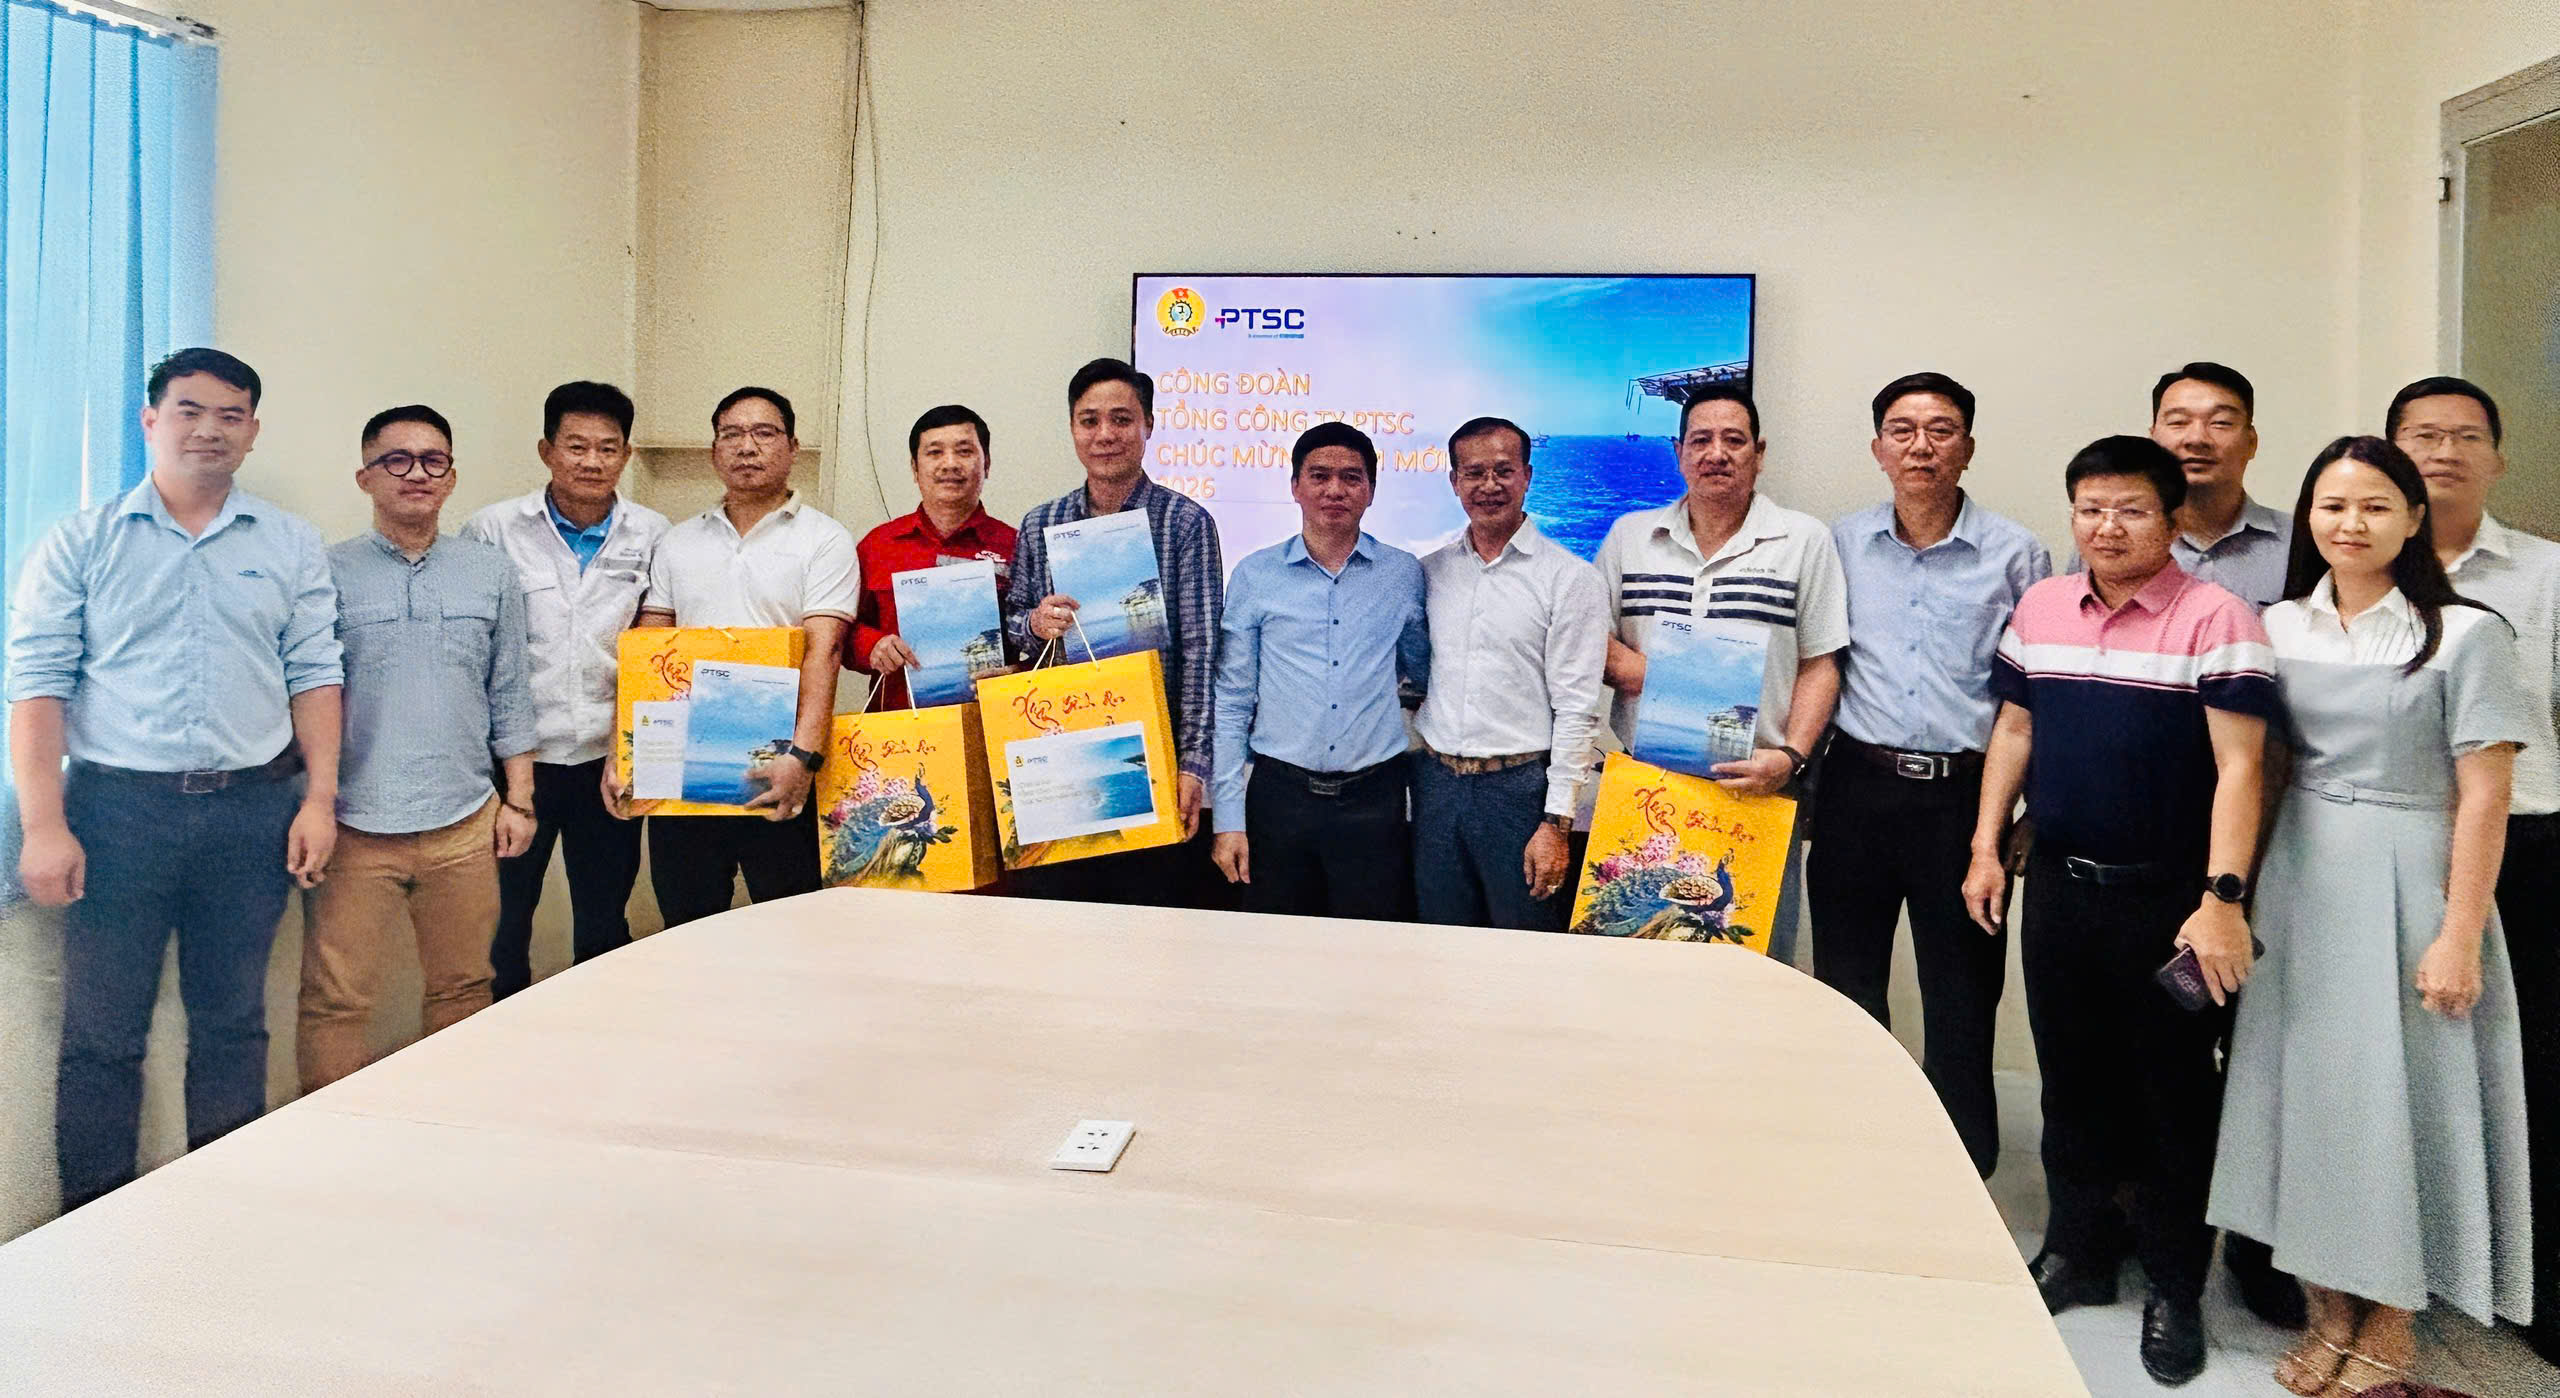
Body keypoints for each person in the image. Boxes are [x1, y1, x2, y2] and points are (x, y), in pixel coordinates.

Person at [2207, 434, 2535, 1394]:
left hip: (2412, 885)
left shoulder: (2465, 634)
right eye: (2333, 505)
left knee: (2403, 1101)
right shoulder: (2277, 626)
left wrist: (2459, 933)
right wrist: (2233, 898)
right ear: (2308, 516)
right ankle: (2328, 1311)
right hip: (2299, 877)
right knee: (2302, 1096)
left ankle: (2392, 1321)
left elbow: (2485, 796)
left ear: (2414, 519)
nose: (2351, 524)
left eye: (2375, 506)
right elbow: (2262, 769)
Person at [1963, 435, 2275, 1386]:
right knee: (2070, 1081)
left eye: (2132, 510)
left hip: (2172, 904)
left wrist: (2223, 898)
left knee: (2173, 1096)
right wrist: (1985, 846)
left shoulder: (2218, 617)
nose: (2108, 527)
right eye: (2091, 509)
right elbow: (2015, 728)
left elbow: (2242, 768)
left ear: (2173, 520)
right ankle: (2076, 1251)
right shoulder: (2043, 607)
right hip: (2060, 891)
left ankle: (2176, 1286)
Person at [6, 348, 343, 1212]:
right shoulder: (81, 542)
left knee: (234, 1027)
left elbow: (314, 674)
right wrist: (44, 825)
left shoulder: (289, 543)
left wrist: (318, 799)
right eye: (190, 410)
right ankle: (94, 1222)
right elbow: (38, 685)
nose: (209, 429)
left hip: (253, 812)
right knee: (102, 1036)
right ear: (151, 420)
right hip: (117, 814)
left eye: (231, 415)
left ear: (253, 431)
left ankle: (220, 1216)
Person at [1810, 373, 2049, 1177]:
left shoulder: (2017, 554)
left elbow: (2034, 697)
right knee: (1846, 987)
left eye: (1941, 430)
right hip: (1857, 787)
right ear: (1878, 448)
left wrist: (2029, 810)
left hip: (1964, 801)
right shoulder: (1840, 544)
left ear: (1967, 447)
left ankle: (1961, 1169)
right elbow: (1816, 663)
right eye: (1903, 431)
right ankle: (1855, 1153)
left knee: (1963, 994)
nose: (1922, 447)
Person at [2388, 375, 2560, 1364]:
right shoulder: (2360, 568)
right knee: (2399, 1064)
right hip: (2400, 845)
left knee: (2530, 1067)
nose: (2443, 451)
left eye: (2464, 436)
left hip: (2527, 847)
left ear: (2497, 458)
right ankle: (2396, 1270)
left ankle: (2532, 1281)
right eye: (2421, 435)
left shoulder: (2546, 574)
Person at [298, 406, 536, 1091]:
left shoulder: (490, 572)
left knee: (464, 989)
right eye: (396, 460)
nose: (416, 474)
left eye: (433, 461)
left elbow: (510, 689)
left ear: (451, 477)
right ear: (365, 477)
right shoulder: (325, 572)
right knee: (336, 1002)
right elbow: (305, 693)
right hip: (355, 826)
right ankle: (327, 1134)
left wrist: (520, 799)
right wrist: (313, 805)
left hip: (465, 824)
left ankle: (453, 1121)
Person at [1595, 383, 1846, 963]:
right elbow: (1595, 644)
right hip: (1647, 787)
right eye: (1701, 440)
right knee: (1638, 959)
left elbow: (1821, 663)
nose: (1717, 453)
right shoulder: (1630, 537)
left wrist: (1791, 758)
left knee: (1751, 965)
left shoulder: (1803, 540)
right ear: (1678, 451)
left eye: (1734, 440)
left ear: (1760, 453)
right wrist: (1673, 682)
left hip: (1758, 788)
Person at [620, 386, 856, 926]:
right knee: (686, 928)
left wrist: (803, 757)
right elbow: (650, 656)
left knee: (790, 929)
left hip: (780, 767)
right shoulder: (678, 542)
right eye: (732, 434)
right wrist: (629, 753)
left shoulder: (825, 539)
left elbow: (824, 652)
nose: (747, 446)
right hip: (687, 769)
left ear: (792, 447)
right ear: (714, 451)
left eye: (764, 433)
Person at [463, 381, 669, 999]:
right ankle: (504, 1040)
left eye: (608, 448)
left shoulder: (653, 533)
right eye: (576, 446)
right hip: (514, 763)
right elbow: (475, 650)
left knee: (604, 924)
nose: (592, 461)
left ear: (626, 455)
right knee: (502, 927)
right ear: (546, 450)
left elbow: (655, 652)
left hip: (607, 761)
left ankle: (596, 1038)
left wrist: (627, 750)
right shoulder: (495, 529)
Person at [1007, 358, 1223, 905]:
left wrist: (1194, 764)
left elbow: (1202, 653)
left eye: (1122, 419)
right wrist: (1035, 622)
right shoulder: (1041, 523)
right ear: (1072, 428)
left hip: (1152, 761)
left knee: (1148, 924)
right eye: (1089, 420)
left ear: (1148, 424)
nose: (1105, 434)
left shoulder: (1185, 523)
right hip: (1059, 761)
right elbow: (1009, 632)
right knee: (1058, 922)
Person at [1210, 422, 1428, 920]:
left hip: (1374, 800)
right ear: (1295, 486)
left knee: (1370, 944)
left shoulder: (1402, 573)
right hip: (1279, 798)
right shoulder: (1255, 575)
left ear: (1370, 490)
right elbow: (1233, 701)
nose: (1335, 489)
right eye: (1319, 475)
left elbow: (1419, 667)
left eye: (1351, 477)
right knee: (1277, 945)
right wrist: (1228, 819)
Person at [1413, 417, 1605, 930]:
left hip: (1519, 793)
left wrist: (1556, 822)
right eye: (1474, 473)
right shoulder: (1430, 572)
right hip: (1436, 787)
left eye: (1503, 470)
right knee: (1439, 941)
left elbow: (1577, 710)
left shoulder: (1570, 579)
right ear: (1454, 482)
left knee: (1523, 949)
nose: (1489, 485)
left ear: (1527, 476)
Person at [851, 404, 1017, 711]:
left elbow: (1044, 642)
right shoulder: (877, 546)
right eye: (935, 452)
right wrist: (872, 645)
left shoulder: (1015, 545)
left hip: (992, 719)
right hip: (898, 725)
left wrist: (1018, 673)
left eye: (964, 451)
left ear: (987, 464)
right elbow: (843, 633)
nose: (950, 464)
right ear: (915, 469)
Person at [2151, 361, 2292, 607]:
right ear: (2152, 440)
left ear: (2252, 443)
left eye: (2221, 422)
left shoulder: (2302, 542)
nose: (2197, 439)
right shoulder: (2107, 541)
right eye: (2178, 422)